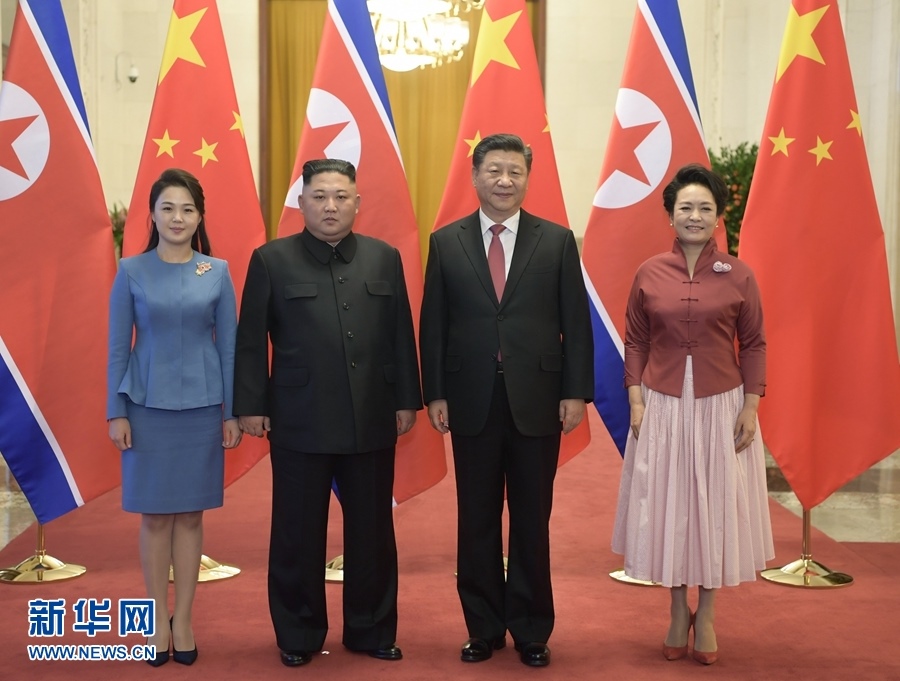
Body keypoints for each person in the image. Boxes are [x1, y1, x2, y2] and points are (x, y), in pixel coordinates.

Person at [233, 158, 420, 667]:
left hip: (372, 416)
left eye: (341, 196)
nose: (330, 206)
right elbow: (250, 341)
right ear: (302, 203)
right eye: (319, 196)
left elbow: (400, 333)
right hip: (300, 419)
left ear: (357, 202)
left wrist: (407, 398)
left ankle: (371, 629)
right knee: (297, 533)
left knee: (372, 533)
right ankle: (298, 633)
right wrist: (250, 405)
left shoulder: (384, 258)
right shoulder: (271, 260)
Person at [419, 133, 594, 668]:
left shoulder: (556, 241)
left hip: (538, 399)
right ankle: (483, 627)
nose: (504, 180)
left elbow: (575, 323)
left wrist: (575, 392)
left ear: (527, 178)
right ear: (475, 176)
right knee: (475, 518)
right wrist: (435, 392)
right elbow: (433, 324)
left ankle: (532, 628)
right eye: (494, 170)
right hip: (470, 398)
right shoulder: (446, 242)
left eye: (515, 171)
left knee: (531, 518)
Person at [611, 163, 775, 665]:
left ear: (719, 215)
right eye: (686, 207)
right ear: (671, 215)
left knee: (713, 506)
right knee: (671, 503)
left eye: (705, 207)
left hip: (720, 403)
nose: (695, 216)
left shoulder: (739, 274)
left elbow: (754, 343)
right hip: (661, 402)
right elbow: (636, 340)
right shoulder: (648, 272)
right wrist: (635, 399)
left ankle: (707, 613)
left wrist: (751, 404)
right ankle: (676, 609)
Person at [107, 168, 242, 667]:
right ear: (152, 215)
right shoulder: (131, 271)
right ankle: (154, 619)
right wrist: (115, 411)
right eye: (168, 208)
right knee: (155, 515)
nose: (177, 217)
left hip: (204, 410)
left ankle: (182, 619)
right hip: (145, 409)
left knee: (189, 515)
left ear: (200, 216)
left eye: (187, 209)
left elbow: (229, 349)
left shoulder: (218, 271)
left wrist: (232, 413)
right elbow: (118, 348)